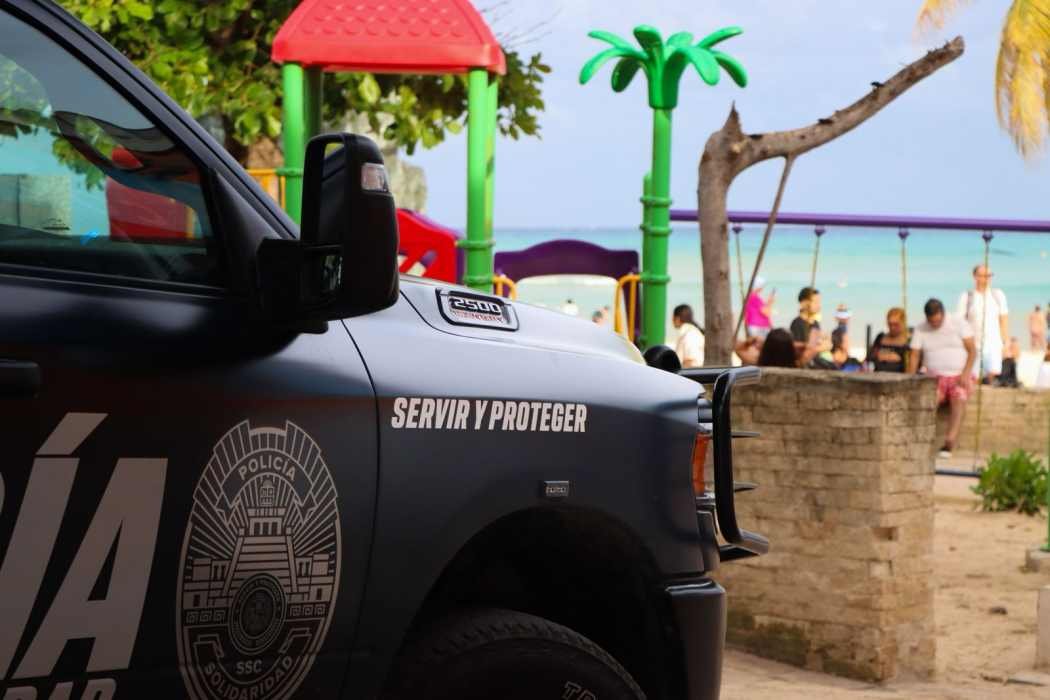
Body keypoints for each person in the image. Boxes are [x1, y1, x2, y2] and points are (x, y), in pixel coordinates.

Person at [909, 298, 977, 458]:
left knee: (958, 398)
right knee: (930, 400)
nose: (935, 324)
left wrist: (966, 373)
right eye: (932, 322)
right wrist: (910, 379)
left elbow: (972, 350)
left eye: (938, 321)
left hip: (959, 375)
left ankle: (949, 442)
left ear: (943, 314)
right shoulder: (921, 329)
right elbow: (914, 355)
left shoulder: (959, 323)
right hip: (934, 376)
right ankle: (921, 439)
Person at [955, 264, 1008, 382]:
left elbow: (1004, 319)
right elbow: (960, 323)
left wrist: (1006, 343)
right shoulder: (967, 297)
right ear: (975, 276)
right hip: (973, 347)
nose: (987, 278)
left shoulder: (998, 295)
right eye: (983, 275)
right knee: (972, 379)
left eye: (989, 275)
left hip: (994, 345)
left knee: (993, 379)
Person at [867, 307, 910, 373]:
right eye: (890, 324)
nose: (892, 327)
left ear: (903, 323)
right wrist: (886, 356)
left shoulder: (909, 341)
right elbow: (870, 357)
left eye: (896, 324)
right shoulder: (880, 337)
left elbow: (911, 363)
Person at [672, 304, 704, 368]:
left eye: (672, 317)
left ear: (677, 319)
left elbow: (691, 361)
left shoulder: (689, 334)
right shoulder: (692, 332)